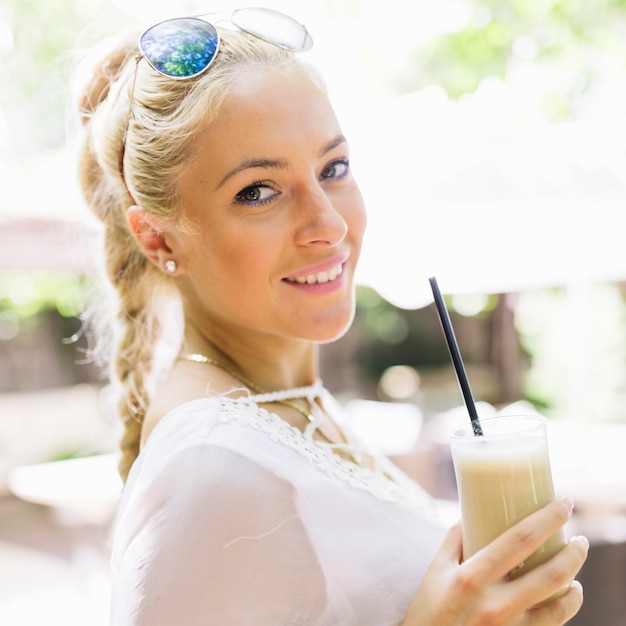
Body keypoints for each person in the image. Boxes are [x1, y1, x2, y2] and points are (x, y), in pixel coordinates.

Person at [74, 7, 588, 625]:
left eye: (333, 169)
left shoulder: (289, 405)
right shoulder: (211, 462)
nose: (330, 225)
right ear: (159, 241)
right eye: (258, 190)